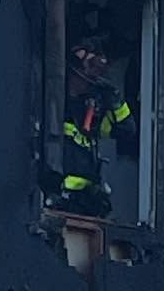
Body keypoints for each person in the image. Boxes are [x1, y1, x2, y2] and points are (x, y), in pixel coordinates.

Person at [56, 32, 134, 217]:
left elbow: (127, 132)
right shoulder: (55, 102)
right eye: (91, 69)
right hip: (58, 199)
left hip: (84, 202)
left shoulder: (92, 108)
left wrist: (117, 102)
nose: (91, 81)